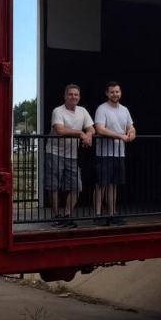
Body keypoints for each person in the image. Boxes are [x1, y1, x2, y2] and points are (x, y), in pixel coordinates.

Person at [45, 84, 94, 227]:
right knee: (53, 186)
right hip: (54, 152)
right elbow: (60, 130)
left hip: (72, 154)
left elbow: (91, 128)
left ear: (79, 97)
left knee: (76, 186)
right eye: (71, 94)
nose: (73, 97)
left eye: (76, 95)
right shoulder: (57, 111)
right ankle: (56, 216)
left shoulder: (82, 111)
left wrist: (89, 136)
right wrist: (80, 133)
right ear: (65, 96)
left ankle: (67, 215)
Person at [94, 81, 135, 225]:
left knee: (113, 185)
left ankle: (112, 213)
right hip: (104, 153)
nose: (115, 94)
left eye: (117, 91)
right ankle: (98, 215)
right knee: (101, 184)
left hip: (119, 153)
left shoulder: (125, 110)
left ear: (120, 92)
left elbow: (131, 127)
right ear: (107, 93)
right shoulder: (102, 109)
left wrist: (131, 133)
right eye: (112, 92)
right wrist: (120, 136)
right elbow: (100, 129)